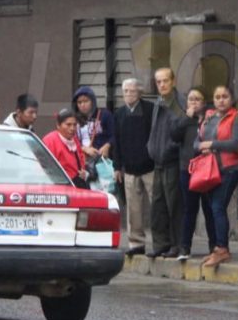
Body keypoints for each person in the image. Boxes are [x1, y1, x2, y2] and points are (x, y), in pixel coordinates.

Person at [194, 85, 238, 267]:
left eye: (225, 96)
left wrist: (213, 144)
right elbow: (197, 141)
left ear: (231, 98)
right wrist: (202, 146)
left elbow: (237, 143)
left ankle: (222, 249)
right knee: (212, 208)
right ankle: (217, 248)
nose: (221, 100)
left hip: (230, 168)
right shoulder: (209, 117)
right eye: (217, 97)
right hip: (210, 168)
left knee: (217, 207)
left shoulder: (237, 117)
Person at [113, 78, 156, 256]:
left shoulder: (150, 110)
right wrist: (117, 167)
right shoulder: (120, 113)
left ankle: (162, 242)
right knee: (133, 209)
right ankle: (136, 243)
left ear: (140, 92)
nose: (129, 94)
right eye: (125, 91)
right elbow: (115, 141)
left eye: (132, 91)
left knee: (158, 206)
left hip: (150, 167)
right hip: (129, 169)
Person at [171, 87, 216, 260]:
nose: (194, 102)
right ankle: (185, 247)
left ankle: (214, 245)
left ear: (204, 103)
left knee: (209, 208)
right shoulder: (184, 120)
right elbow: (174, 136)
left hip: (207, 168)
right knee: (189, 208)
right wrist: (187, 118)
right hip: (187, 169)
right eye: (191, 99)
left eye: (198, 99)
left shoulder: (210, 119)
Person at [146, 68, 183, 258]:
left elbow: (179, 132)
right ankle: (161, 244)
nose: (162, 84)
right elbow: (155, 130)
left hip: (172, 161)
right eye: (158, 81)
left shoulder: (178, 103)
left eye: (165, 81)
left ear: (173, 81)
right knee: (158, 206)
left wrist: (169, 149)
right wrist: (150, 148)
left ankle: (176, 245)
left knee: (174, 205)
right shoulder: (158, 103)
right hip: (158, 161)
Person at [41, 108, 90, 189]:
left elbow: (81, 159)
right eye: (68, 124)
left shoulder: (75, 140)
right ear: (58, 125)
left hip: (77, 184)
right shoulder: (50, 141)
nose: (72, 128)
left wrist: (84, 172)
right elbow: (46, 167)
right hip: (60, 186)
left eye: (74, 125)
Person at [72, 86, 114, 162]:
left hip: (101, 158)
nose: (82, 105)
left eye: (86, 101)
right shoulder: (73, 119)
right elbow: (69, 139)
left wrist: (107, 145)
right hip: (81, 160)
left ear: (92, 101)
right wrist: (84, 149)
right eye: (79, 102)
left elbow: (115, 134)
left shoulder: (105, 115)